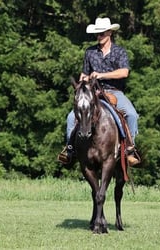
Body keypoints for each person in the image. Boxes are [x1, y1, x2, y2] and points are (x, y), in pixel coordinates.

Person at [58, 17, 140, 167]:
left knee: (132, 114)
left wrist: (101, 75)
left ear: (109, 33)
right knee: (71, 117)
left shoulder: (119, 52)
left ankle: (130, 150)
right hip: (93, 92)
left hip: (114, 92)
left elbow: (124, 72)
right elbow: (84, 74)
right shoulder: (90, 52)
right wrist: (85, 79)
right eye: (97, 34)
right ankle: (69, 149)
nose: (99, 36)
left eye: (102, 33)